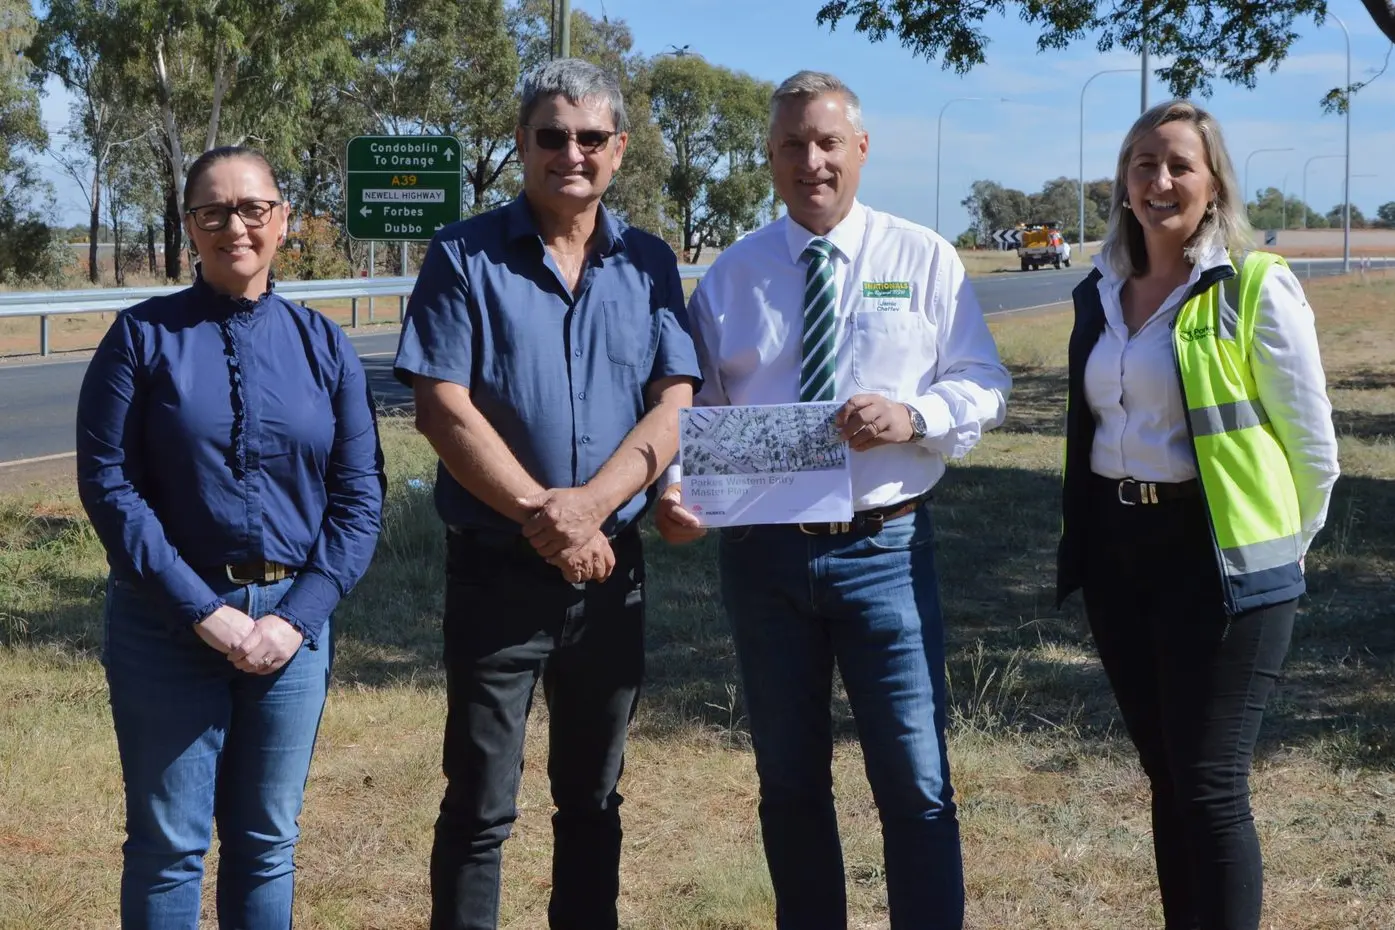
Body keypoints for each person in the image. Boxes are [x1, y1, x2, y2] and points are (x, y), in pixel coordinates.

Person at [656, 70, 1010, 930]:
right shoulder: (733, 276)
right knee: (788, 782)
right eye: (790, 145)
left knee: (917, 783)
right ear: (769, 158)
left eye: (825, 143)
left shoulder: (921, 256)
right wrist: (675, 488)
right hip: (763, 559)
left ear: (858, 149)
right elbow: (697, 413)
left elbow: (984, 384)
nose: (809, 161)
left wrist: (912, 414)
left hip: (883, 551)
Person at [392, 58, 701, 930]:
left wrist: (589, 511)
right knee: (480, 804)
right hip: (496, 575)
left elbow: (673, 401)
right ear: (522, 144)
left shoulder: (649, 263)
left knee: (593, 800)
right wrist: (546, 517)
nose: (572, 152)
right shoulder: (462, 255)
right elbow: (440, 409)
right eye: (552, 135)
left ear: (619, 150)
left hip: (612, 577)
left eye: (590, 137)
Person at [76, 145, 385, 928]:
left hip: (291, 629)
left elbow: (357, 502)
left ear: (282, 220)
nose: (235, 227)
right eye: (213, 212)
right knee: (168, 844)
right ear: (190, 227)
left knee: (266, 841)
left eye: (252, 208)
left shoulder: (325, 345)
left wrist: (293, 618)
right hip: (165, 624)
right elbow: (108, 485)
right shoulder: (140, 339)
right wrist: (202, 611)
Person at [1055, 101, 1340, 930]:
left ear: (1212, 183)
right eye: (1141, 164)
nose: (1158, 181)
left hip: (1219, 562)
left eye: (1178, 163)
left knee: (1211, 786)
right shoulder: (1098, 292)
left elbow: (1314, 450)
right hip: (1118, 555)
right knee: (1167, 778)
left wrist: (1278, 557)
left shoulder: (1253, 285)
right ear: (1121, 183)